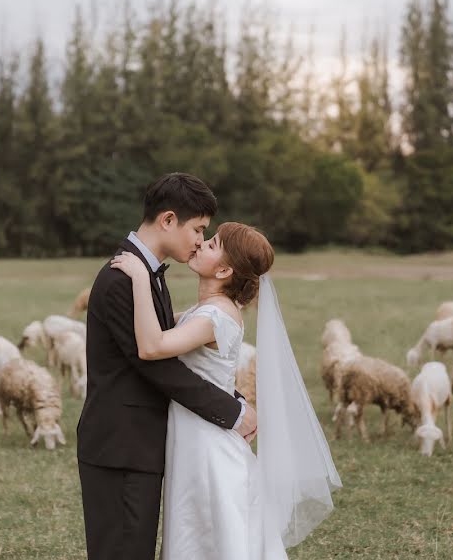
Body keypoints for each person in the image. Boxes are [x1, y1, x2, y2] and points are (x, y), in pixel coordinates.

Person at [111, 219, 341, 559]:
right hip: (196, 439)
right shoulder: (207, 311)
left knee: (210, 539)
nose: (202, 243)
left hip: (208, 449)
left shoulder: (215, 317)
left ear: (223, 271)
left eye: (213, 243)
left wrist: (142, 276)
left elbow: (152, 346)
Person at [76, 173, 257, 560]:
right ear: (168, 220)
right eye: (198, 229)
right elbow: (157, 365)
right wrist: (233, 410)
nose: (198, 241)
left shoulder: (147, 273)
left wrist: (233, 396)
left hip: (139, 446)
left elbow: (182, 357)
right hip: (119, 447)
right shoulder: (123, 277)